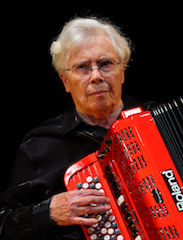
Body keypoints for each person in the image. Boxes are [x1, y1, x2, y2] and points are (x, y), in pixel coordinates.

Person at [0, 17, 155, 240]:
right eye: (82, 67)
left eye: (106, 63)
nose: (96, 76)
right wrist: (48, 212)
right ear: (64, 81)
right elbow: (4, 222)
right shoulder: (41, 145)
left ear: (123, 72)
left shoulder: (156, 122)